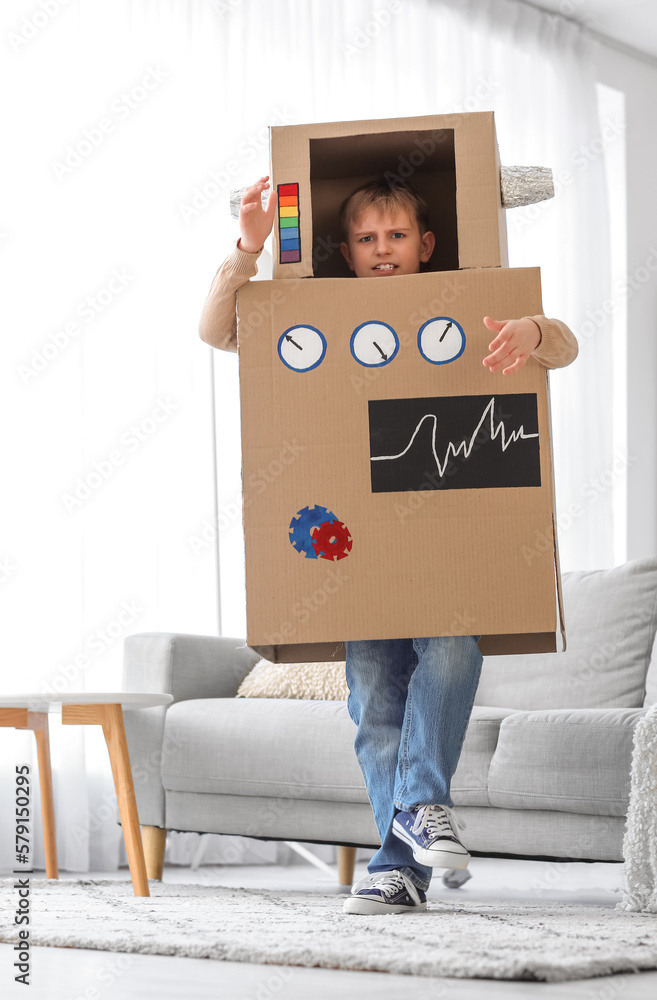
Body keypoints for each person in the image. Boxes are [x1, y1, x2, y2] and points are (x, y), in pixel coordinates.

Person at [199, 173, 579, 915]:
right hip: (354, 548)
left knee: (450, 645)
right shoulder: (311, 310)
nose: (381, 250)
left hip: (442, 536)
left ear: (425, 243)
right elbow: (219, 328)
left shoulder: (463, 300)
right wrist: (250, 246)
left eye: (396, 236)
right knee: (374, 699)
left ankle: (409, 824)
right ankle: (399, 867)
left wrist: (530, 334)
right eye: (366, 239)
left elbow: (559, 340)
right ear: (344, 249)